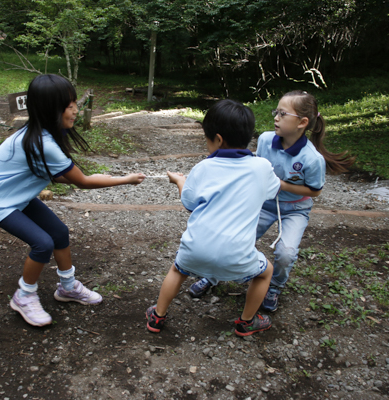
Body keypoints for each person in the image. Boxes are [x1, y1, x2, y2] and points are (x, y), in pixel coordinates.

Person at [0, 74, 145, 327]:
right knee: (42, 243)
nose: (76, 110)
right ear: (51, 109)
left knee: (59, 232)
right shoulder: (43, 143)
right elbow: (82, 182)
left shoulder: (41, 135)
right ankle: (24, 296)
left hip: (15, 194)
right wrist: (124, 179)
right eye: (70, 105)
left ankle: (67, 287)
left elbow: (66, 178)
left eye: (75, 103)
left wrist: (97, 177)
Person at [189, 90, 355, 313]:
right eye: (276, 111)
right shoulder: (267, 140)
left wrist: (281, 185)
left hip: (296, 208)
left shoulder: (312, 158)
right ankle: (213, 276)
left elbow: (314, 191)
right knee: (234, 237)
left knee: (286, 253)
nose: (276, 117)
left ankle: (275, 286)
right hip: (264, 203)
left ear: (302, 122)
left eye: (283, 113)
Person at [145, 99, 281, 337]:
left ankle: (157, 316)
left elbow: (189, 203)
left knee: (177, 270)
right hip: (238, 257)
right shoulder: (262, 167)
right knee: (266, 271)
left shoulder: (202, 168)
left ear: (218, 140)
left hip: (195, 251)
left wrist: (179, 181)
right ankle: (247, 321)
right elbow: (272, 191)